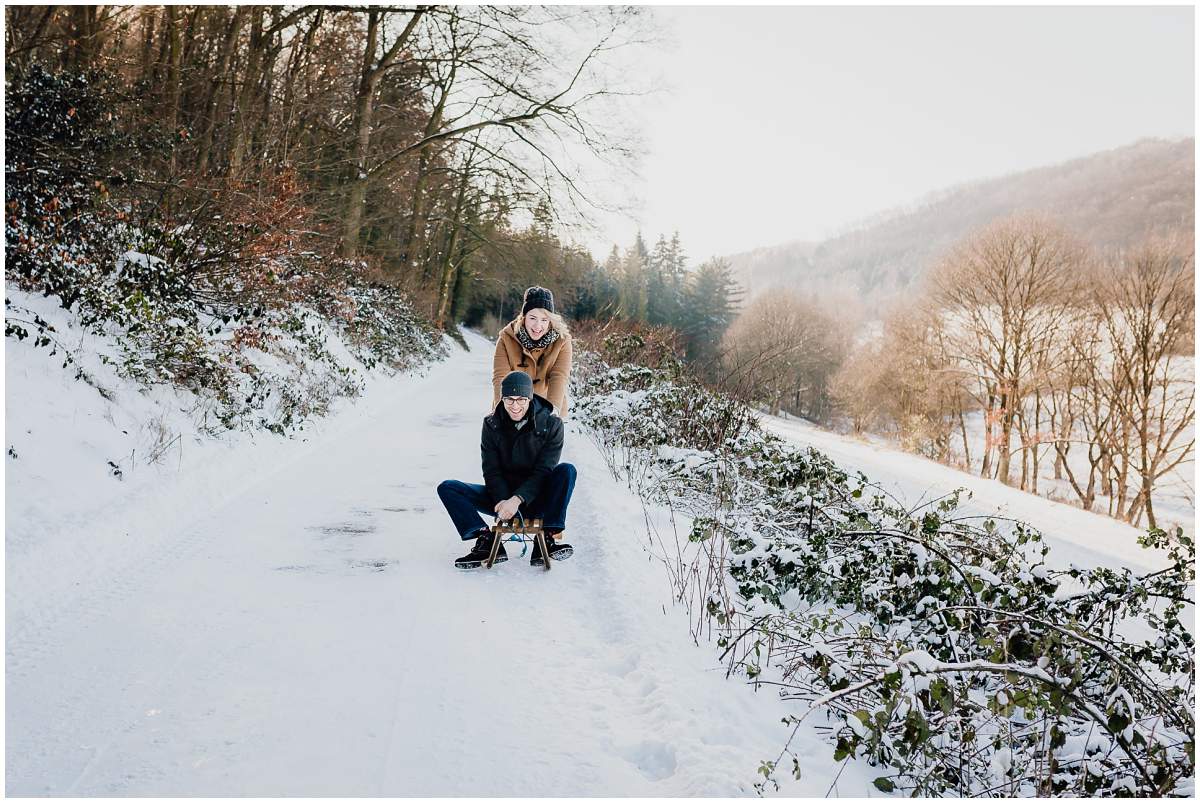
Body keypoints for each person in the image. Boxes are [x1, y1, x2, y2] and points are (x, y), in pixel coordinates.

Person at [438, 370, 576, 569]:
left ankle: (546, 537)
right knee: (448, 488)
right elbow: (491, 470)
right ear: (502, 399)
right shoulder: (491, 423)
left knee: (566, 471)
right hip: (500, 500)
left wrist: (516, 500)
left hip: (537, 496)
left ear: (530, 398)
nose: (515, 405)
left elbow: (544, 471)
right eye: (509, 399)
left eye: (521, 399)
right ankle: (485, 539)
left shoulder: (552, 424)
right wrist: (504, 501)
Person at [492, 286, 573, 418]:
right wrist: (502, 411)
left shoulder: (562, 341)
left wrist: (553, 413)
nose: (538, 326)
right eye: (533, 318)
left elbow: (559, 377)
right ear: (524, 317)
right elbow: (500, 377)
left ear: (550, 320)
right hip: (513, 409)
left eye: (544, 320)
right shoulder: (506, 338)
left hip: (547, 407)